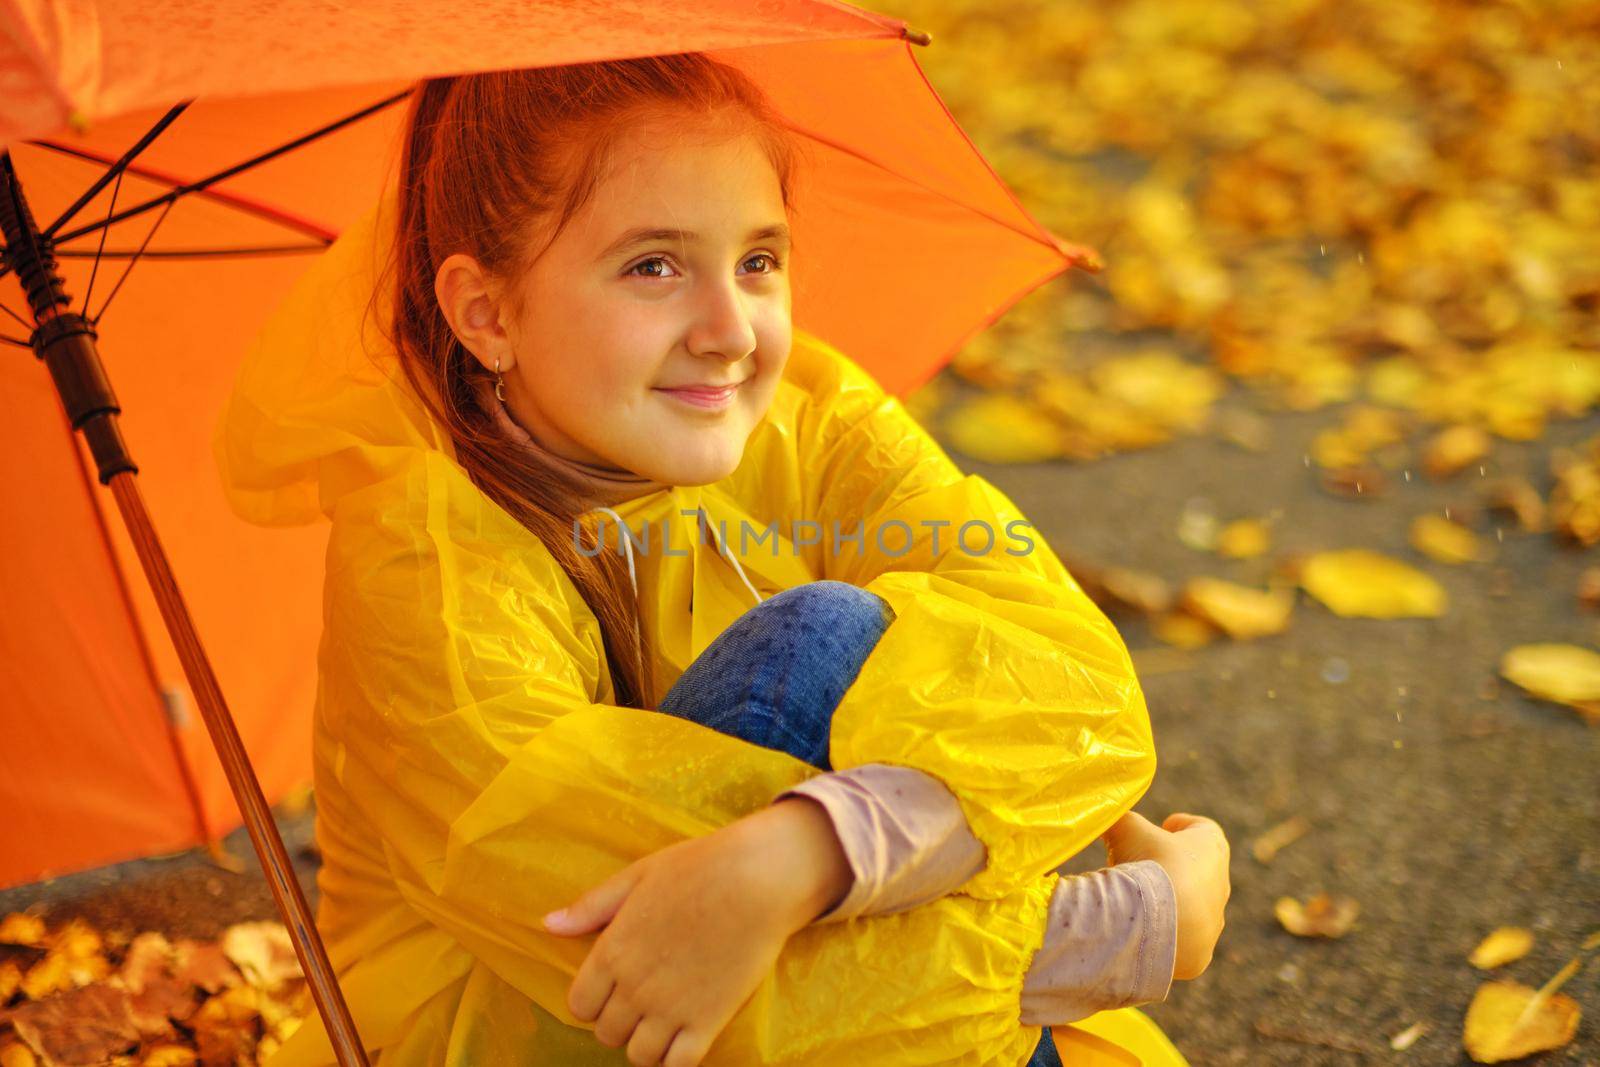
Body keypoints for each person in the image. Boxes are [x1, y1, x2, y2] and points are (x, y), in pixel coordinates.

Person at [217, 52, 1229, 1067]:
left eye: (757, 260)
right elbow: (652, 949)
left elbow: (1067, 667)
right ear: (486, 313)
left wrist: (807, 847)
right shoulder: (422, 572)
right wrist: (1130, 928)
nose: (729, 331)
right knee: (828, 640)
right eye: (652, 266)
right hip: (523, 1026)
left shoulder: (809, 423)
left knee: (942, 666)